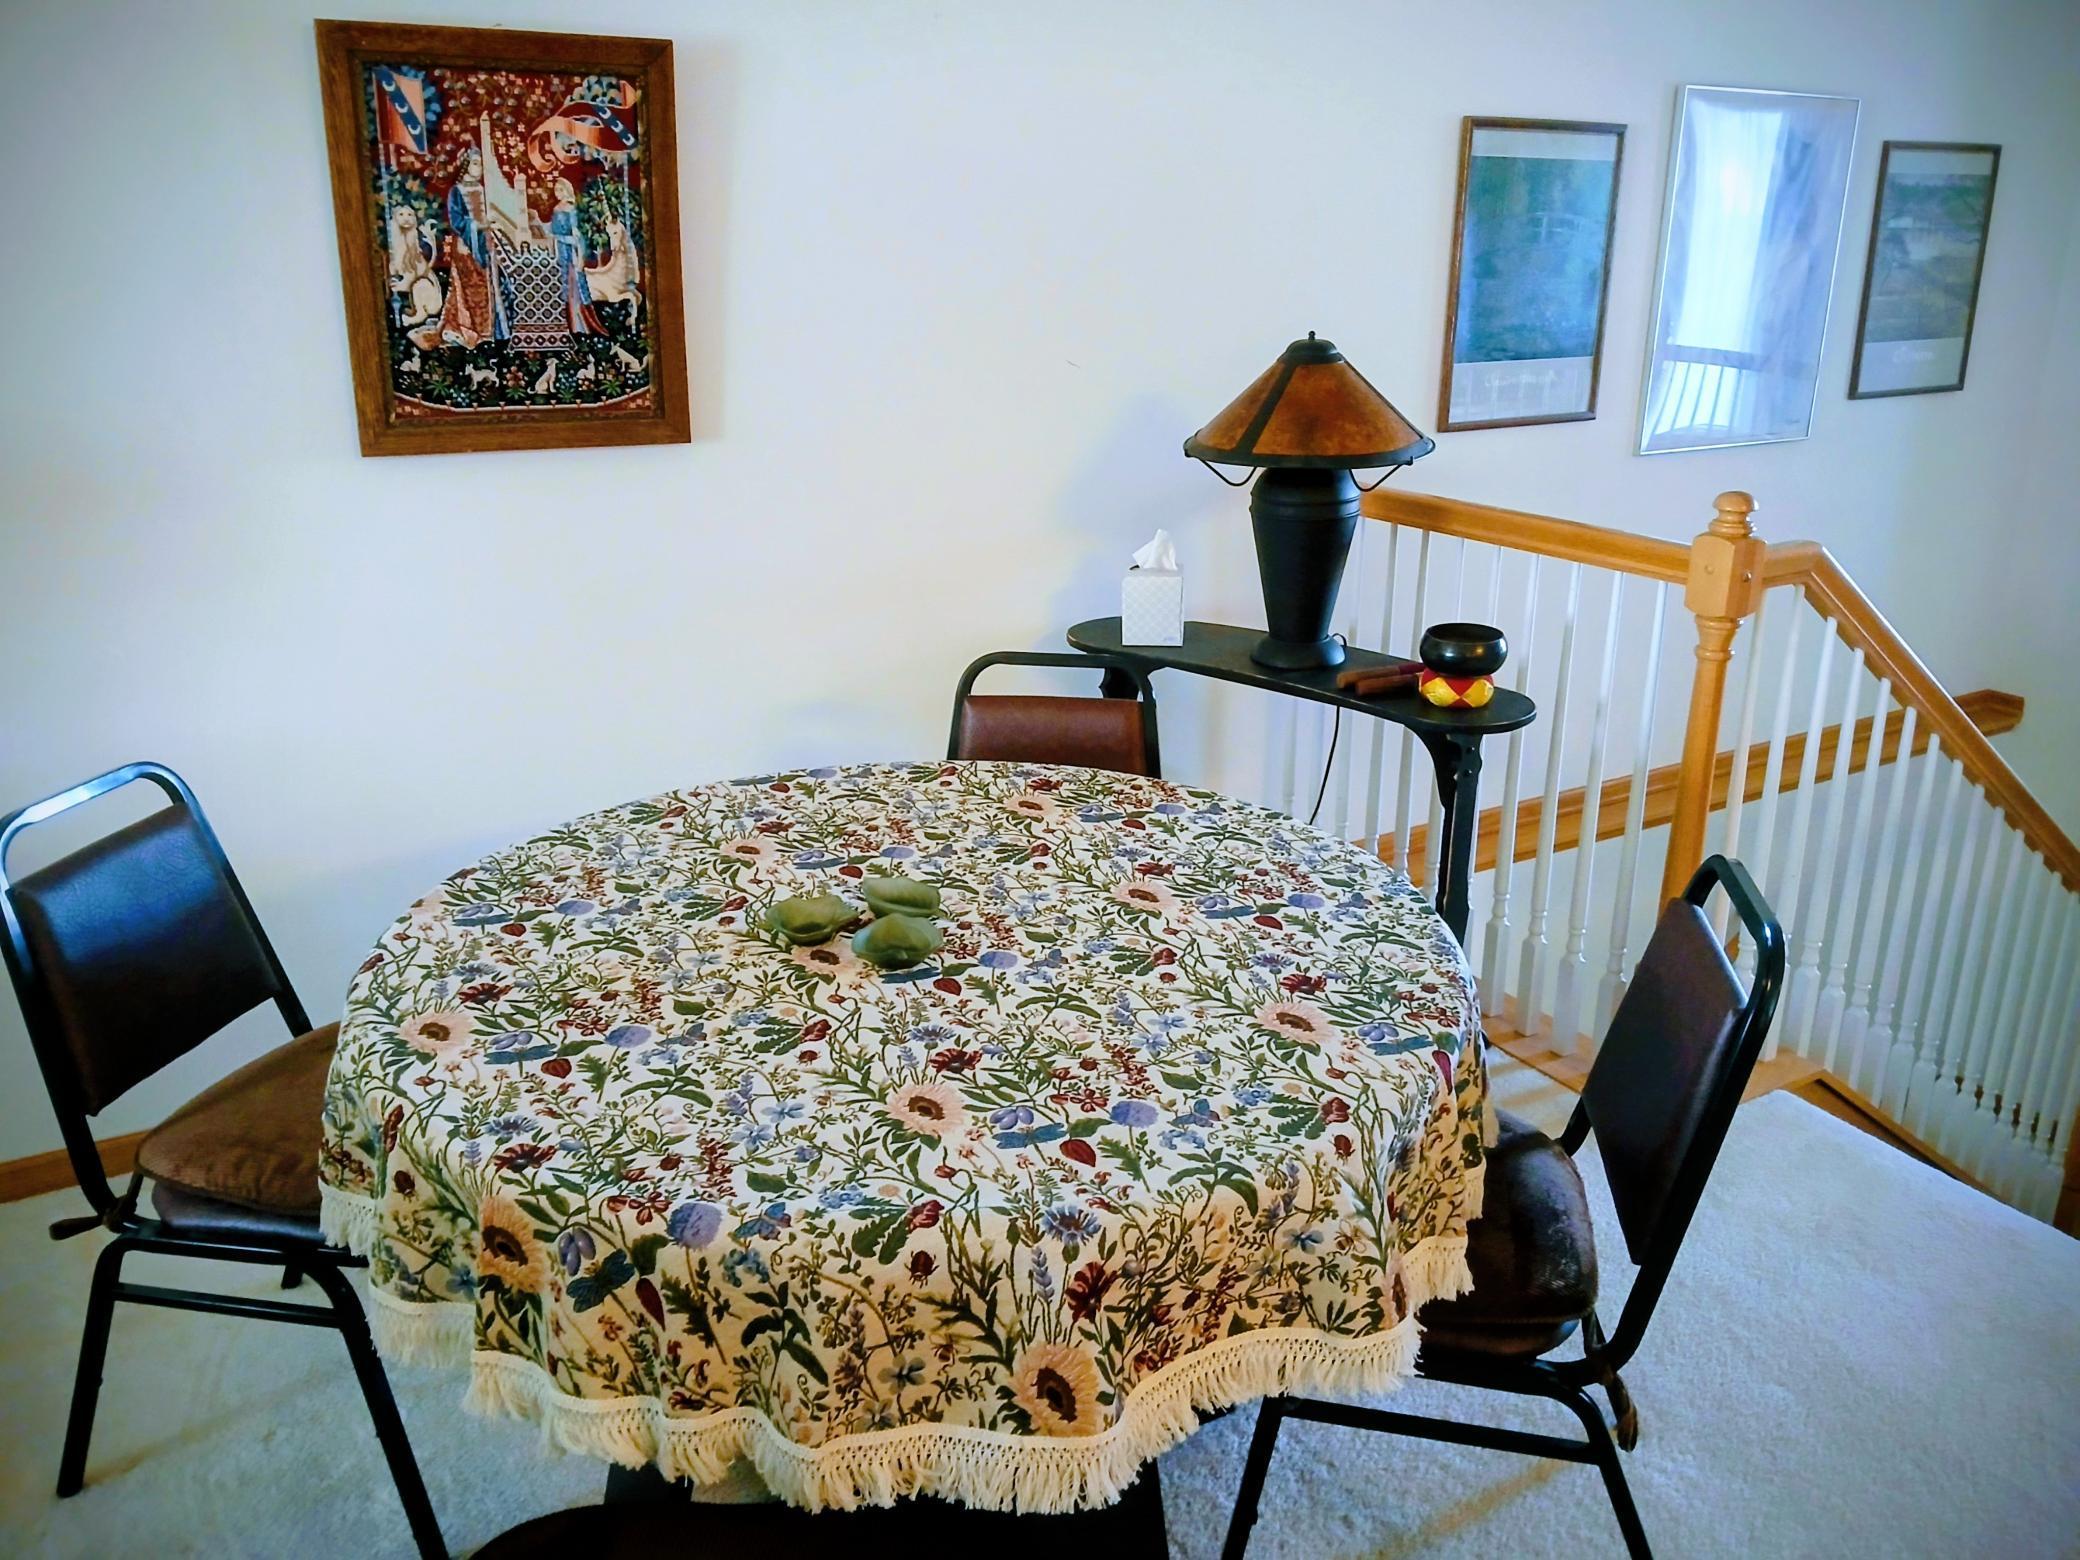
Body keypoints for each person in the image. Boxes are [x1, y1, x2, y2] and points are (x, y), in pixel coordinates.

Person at [546, 177, 604, 336]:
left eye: (560, 189)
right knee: (564, 286)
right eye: (556, 190)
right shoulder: (556, 209)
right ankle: (568, 325)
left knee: (576, 286)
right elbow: (552, 231)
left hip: (571, 253)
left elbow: (577, 236)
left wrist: (580, 256)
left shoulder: (571, 209)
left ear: (567, 190)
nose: (557, 193)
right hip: (561, 253)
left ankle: (581, 326)